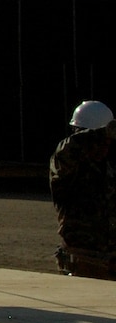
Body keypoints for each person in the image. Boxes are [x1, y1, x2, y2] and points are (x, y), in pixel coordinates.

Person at [49, 100, 115, 279]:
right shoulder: (66, 167)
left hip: (109, 261)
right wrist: (100, 132)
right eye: (101, 141)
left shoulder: (106, 169)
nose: (104, 147)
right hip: (82, 261)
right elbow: (69, 148)